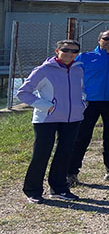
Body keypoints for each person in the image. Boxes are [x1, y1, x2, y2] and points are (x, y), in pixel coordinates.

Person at [18, 39, 86, 203]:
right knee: (41, 154)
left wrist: (82, 104)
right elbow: (23, 93)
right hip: (46, 119)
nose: (70, 54)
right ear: (57, 51)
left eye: (74, 51)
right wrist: (47, 106)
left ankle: (59, 188)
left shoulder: (78, 69)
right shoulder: (43, 70)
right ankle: (33, 190)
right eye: (66, 50)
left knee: (65, 154)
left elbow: (81, 90)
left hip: (72, 118)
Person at [69, 30, 109, 186]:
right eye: (106, 38)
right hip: (88, 103)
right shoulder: (85, 57)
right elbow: (71, 77)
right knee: (81, 137)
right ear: (99, 40)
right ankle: (70, 173)